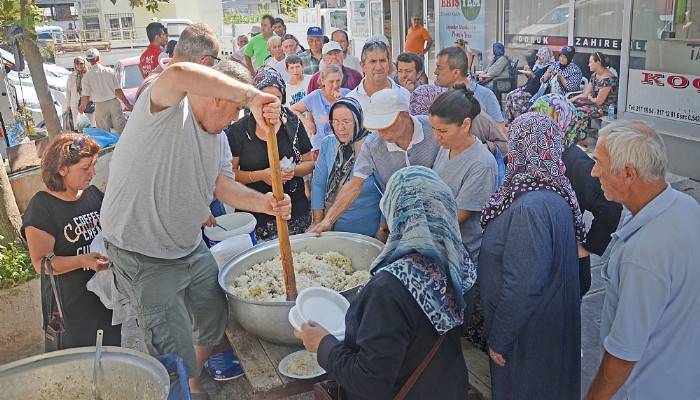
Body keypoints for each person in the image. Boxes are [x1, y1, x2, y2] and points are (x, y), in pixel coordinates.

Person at [100, 49, 291, 397]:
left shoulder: (217, 137)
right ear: (219, 97)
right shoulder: (166, 108)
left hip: (187, 244)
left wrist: (264, 202)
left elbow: (222, 185)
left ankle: (192, 378)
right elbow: (178, 74)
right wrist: (251, 96)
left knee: (213, 311)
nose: (236, 118)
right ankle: (180, 388)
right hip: (142, 253)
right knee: (169, 346)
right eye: (235, 109)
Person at [296, 166, 475, 400]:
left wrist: (323, 345)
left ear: (395, 212)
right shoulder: (459, 262)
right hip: (449, 387)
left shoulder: (390, 289)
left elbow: (369, 382)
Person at [586, 121, 700, 400]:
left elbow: (622, 356)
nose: (593, 172)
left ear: (627, 173)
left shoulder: (644, 255)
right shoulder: (686, 206)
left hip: (648, 388)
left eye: (599, 163)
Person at [479, 112, 583, 400]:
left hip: (527, 339)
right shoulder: (555, 192)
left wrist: (500, 339)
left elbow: (523, 284)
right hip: (549, 330)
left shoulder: (530, 207)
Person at [22, 133, 121, 348]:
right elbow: (41, 263)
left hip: (105, 303)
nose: (93, 173)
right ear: (62, 169)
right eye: (85, 168)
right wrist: (81, 261)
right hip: (70, 312)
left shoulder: (93, 194)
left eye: (94, 165)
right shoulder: (42, 207)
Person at [308, 89, 440, 242]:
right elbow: (354, 186)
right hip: (400, 226)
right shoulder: (373, 144)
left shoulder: (433, 129)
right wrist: (327, 221)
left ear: (404, 116)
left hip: (439, 218)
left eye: (386, 125)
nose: (381, 132)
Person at [530, 94, 622, 296]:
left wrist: (587, 247)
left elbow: (610, 206)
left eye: (542, 121)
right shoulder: (535, 154)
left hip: (566, 263)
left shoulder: (576, 163)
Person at [227, 68, 314, 241]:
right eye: (264, 98)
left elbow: (309, 163)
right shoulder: (239, 129)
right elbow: (230, 174)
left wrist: (293, 171)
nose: (271, 105)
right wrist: (262, 175)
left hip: (294, 211)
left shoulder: (293, 122)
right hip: (255, 212)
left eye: (276, 99)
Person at [428, 87, 498, 261]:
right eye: (433, 129)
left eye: (442, 131)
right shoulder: (447, 147)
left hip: (461, 254)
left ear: (466, 124)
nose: (436, 137)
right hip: (436, 244)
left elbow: (455, 218)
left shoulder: (481, 164)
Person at [310, 97, 381, 237]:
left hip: (368, 230)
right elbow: (318, 184)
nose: (340, 128)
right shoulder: (328, 144)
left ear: (358, 120)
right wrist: (317, 221)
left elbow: (386, 192)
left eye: (346, 122)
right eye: (335, 122)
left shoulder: (373, 145)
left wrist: (382, 231)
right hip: (332, 228)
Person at [429, 46, 505, 130]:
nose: (435, 72)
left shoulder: (485, 95)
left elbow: (500, 133)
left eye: (439, 68)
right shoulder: (440, 97)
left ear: (456, 72)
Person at [291, 64, 350, 150]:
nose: (335, 85)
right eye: (331, 81)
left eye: (338, 81)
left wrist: (343, 102)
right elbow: (293, 109)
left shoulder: (347, 94)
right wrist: (307, 123)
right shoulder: (315, 96)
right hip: (320, 149)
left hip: (344, 148)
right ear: (323, 81)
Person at [347, 40, 410, 113]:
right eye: (373, 61)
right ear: (363, 66)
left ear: (389, 63)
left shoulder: (404, 96)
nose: (378, 67)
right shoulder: (351, 102)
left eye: (382, 61)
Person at [79, 48, 132, 134]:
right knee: (121, 129)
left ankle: (110, 147)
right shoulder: (109, 71)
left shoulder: (87, 77)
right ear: (98, 57)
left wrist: (82, 107)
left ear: (88, 60)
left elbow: (86, 96)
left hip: (100, 106)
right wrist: (128, 104)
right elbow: (118, 91)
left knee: (104, 132)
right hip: (113, 103)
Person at [504, 46, 555, 123]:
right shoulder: (538, 64)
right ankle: (510, 120)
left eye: (542, 56)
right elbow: (530, 78)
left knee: (515, 97)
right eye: (539, 56)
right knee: (509, 95)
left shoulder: (549, 67)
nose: (539, 58)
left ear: (546, 56)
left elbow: (541, 82)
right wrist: (528, 71)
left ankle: (520, 121)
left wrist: (532, 74)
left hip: (535, 91)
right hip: (528, 87)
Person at [569, 52, 618, 129]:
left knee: (578, 113)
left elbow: (599, 101)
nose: (588, 65)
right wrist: (572, 99)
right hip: (595, 105)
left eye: (590, 62)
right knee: (572, 108)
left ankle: (579, 136)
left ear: (598, 62)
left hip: (606, 109)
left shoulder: (608, 79)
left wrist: (590, 98)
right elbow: (586, 94)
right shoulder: (594, 75)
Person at [65, 56, 88, 129]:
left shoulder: (88, 74)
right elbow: (68, 91)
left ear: (84, 64)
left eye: (81, 63)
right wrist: (68, 105)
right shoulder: (71, 76)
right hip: (75, 102)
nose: (79, 65)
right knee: (77, 124)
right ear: (75, 65)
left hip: (87, 102)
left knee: (89, 123)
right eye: (77, 64)